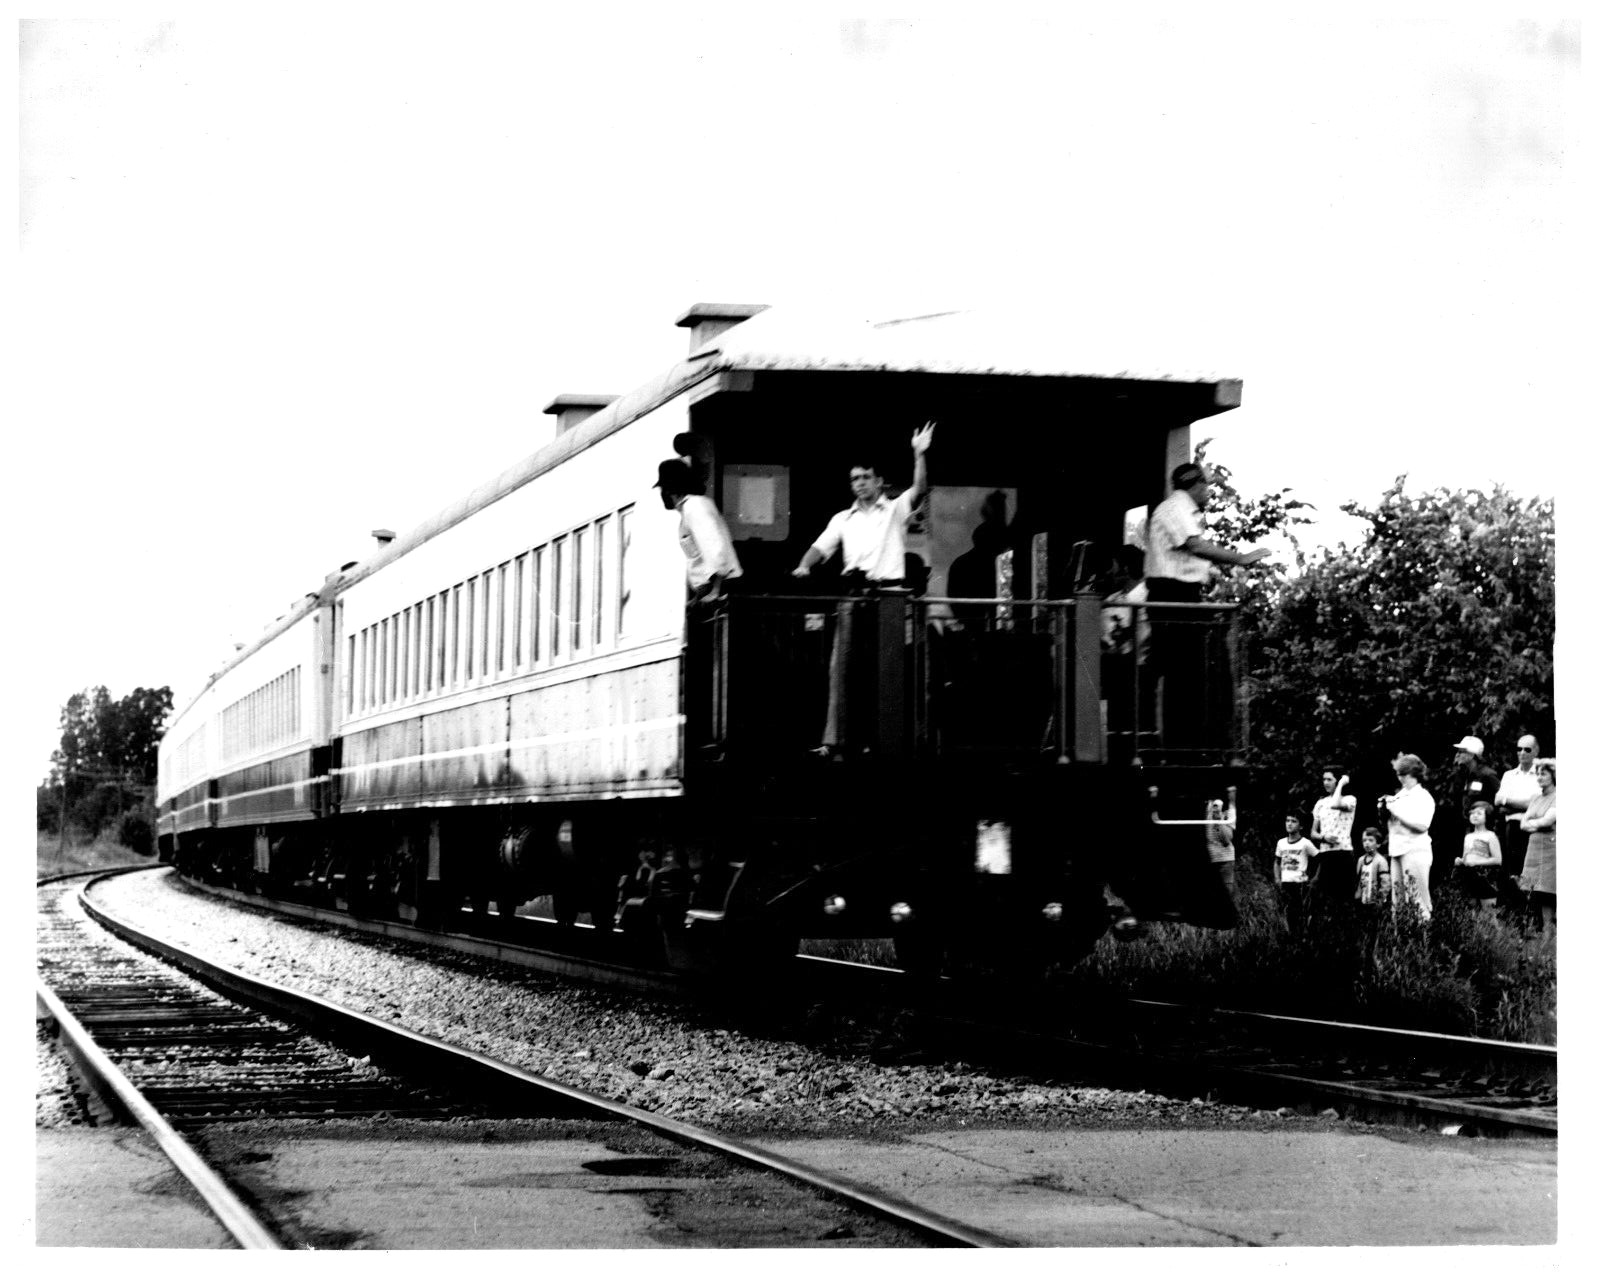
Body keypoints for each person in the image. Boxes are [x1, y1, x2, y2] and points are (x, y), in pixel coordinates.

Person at [792, 421, 934, 754]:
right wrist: (804, 565)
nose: (859, 484)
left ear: (880, 481)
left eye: (865, 477)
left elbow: (920, 488)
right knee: (842, 669)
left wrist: (919, 454)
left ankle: (883, 742)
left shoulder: (895, 509)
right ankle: (835, 742)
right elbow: (821, 546)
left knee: (885, 669)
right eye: (854, 479)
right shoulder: (843, 518)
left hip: (889, 597)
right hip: (854, 597)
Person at [1143, 462, 1270, 748]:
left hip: (1182, 594)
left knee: (1188, 672)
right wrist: (1240, 558)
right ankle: (1179, 745)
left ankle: (1189, 742)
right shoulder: (1175, 508)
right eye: (1207, 486)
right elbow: (1195, 546)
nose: (1209, 493)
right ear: (1197, 485)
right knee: (1180, 673)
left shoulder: (1182, 511)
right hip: (1171, 595)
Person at [654, 458, 742, 601]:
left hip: (722, 587)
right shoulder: (689, 509)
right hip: (711, 588)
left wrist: (715, 591)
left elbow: (716, 548)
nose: (662, 493)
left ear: (671, 488)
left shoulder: (695, 507)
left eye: (663, 488)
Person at [1381, 752, 1436, 922]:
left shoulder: (1423, 796)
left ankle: (1425, 942)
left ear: (1413, 774)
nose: (1400, 778)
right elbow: (1392, 825)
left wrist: (1395, 811)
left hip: (1415, 850)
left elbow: (1422, 826)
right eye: (1399, 774)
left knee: (1418, 899)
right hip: (1397, 850)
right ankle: (1401, 943)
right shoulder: (1398, 796)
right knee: (1397, 902)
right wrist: (1383, 811)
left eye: (1403, 774)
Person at [1495, 734, 1541, 906]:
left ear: (1536, 751)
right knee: (1511, 871)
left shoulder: (1540, 775)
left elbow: (1535, 804)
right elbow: (1498, 800)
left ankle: (1530, 912)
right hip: (1511, 827)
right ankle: (1514, 912)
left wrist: (1509, 802)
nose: (1522, 753)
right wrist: (1519, 804)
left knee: (1528, 870)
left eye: (1527, 749)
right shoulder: (1509, 775)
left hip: (1530, 828)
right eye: (1519, 749)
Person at [1518, 758, 1556, 935]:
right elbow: (1522, 824)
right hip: (1534, 848)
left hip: (1551, 849)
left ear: (1553, 775)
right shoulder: (1535, 799)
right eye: (1538, 774)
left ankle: (1551, 933)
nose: (1540, 777)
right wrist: (1537, 824)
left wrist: (1534, 823)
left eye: (1544, 773)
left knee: (1551, 891)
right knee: (1537, 891)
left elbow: (1548, 820)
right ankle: (1545, 934)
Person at [1309, 768, 1358, 897]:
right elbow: (1313, 833)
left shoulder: (1349, 800)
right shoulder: (1320, 803)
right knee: (1324, 896)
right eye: (1324, 779)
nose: (1325, 783)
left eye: (1329, 779)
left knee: (1344, 896)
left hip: (1343, 853)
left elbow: (1335, 804)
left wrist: (1341, 784)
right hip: (1326, 854)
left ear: (1339, 780)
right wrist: (1324, 837)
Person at [1452, 801, 1503, 909]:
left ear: (1487, 817)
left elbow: (1498, 860)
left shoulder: (1490, 835)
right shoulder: (1468, 837)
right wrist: (1460, 861)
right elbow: (1467, 856)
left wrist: (1476, 862)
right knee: (1470, 911)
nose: (1475, 815)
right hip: (1469, 876)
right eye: (1472, 813)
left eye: (1479, 813)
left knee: (1488, 914)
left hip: (1485, 877)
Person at [1274, 813, 1317, 931]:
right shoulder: (1281, 843)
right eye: (1287, 820)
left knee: (1300, 914)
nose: (1289, 824)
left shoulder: (1305, 843)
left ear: (1301, 826)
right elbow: (1277, 861)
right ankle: (1288, 938)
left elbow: (1319, 859)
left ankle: (1301, 938)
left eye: (1293, 821)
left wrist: (1315, 878)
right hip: (1285, 883)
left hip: (1300, 884)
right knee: (1285, 913)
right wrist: (1277, 878)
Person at [1204, 796, 1237, 898]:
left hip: (1225, 859)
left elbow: (1226, 840)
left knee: (1227, 893)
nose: (1215, 807)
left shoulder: (1229, 813)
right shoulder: (1207, 809)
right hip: (1211, 858)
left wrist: (1219, 821)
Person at [1354, 827, 1390, 908]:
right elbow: (1358, 880)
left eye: (1370, 840)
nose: (1367, 843)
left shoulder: (1381, 861)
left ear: (1378, 844)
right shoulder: (1361, 860)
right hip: (1362, 899)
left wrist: (1380, 899)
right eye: (1364, 840)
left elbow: (1385, 882)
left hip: (1375, 901)